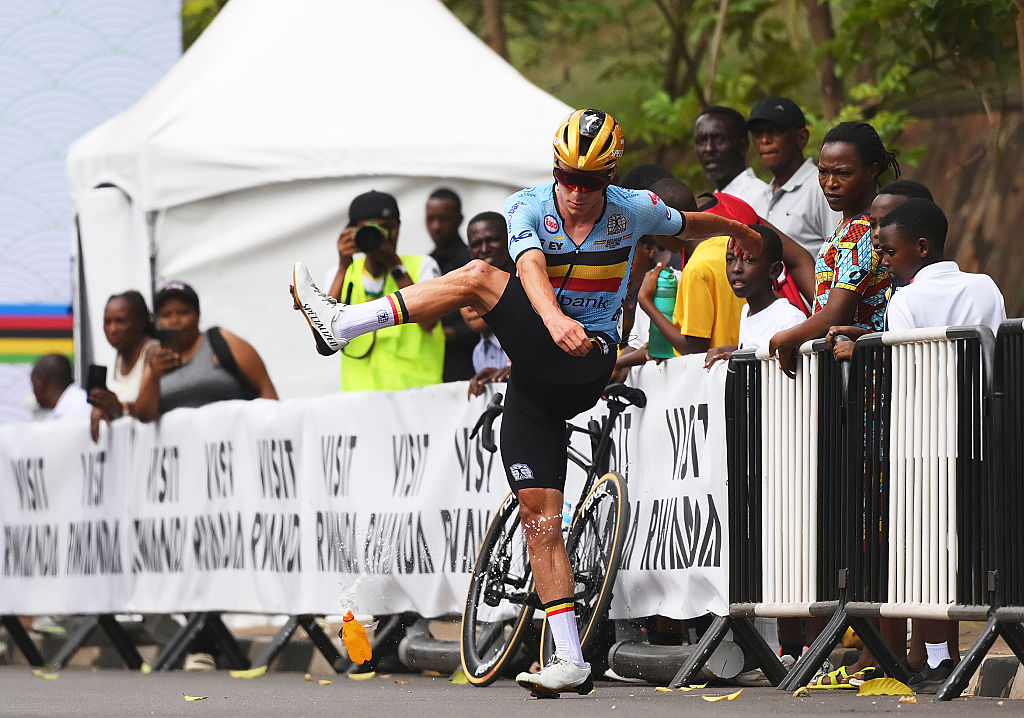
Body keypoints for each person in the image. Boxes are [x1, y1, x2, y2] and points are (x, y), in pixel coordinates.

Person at [290, 108, 763, 696]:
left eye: (591, 183)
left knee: (479, 277)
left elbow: (685, 223)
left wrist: (738, 233)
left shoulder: (631, 209)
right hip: (539, 377)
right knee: (541, 517)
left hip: (586, 356)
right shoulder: (528, 205)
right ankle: (569, 658)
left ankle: (344, 325)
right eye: (567, 176)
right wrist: (553, 318)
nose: (576, 193)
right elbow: (532, 268)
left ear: (609, 178)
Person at [768, 121, 900, 377]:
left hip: (862, 372)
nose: (830, 183)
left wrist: (785, 338)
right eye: (823, 172)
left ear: (871, 171)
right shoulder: (845, 227)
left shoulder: (861, 229)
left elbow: (836, 313)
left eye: (843, 173)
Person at [324, 190, 444, 392]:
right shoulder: (341, 273)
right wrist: (343, 266)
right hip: (360, 399)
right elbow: (325, 334)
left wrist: (394, 265)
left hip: (418, 397)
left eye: (387, 228)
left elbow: (428, 322)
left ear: (399, 228)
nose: (380, 236)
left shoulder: (422, 266)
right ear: (352, 233)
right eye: (371, 230)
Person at [132, 281, 277, 422]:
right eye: (166, 315)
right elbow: (144, 415)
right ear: (157, 321)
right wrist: (153, 376)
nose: (174, 321)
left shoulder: (221, 341)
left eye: (183, 313)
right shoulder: (154, 358)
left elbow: (267, 391)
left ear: (198, 315)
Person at [637, 192, 756, 358]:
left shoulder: (697, 269)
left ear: (664, 228)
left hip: (720, 373)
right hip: (747, 360)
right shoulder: (730, 246)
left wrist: (646, 302)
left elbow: (694, 347)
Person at [746, 96, 840, 257]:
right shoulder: (759, 199)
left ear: (801, 137)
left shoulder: (822, 187)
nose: (765, 140)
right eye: (757, 133)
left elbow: (840, 252)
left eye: (775, 131)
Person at [704, 224, 806, 367]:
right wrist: (733, 352)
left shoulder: (790, 319)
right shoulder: (747, 310)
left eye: (749, 260)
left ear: (775, 270)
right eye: (730, 260)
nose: (736, 269)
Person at [88, 290, 160, 440]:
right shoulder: (121, 354)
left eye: (121, 321)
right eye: (107, 322)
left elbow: (148, 408)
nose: (112, 330)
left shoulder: (153, 353)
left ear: (141, 323)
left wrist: (119, 408)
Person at [426, 187, 477, 382]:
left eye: (443, 218)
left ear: (459, 219)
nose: (436, 226)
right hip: (431, 369)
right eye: (430, 219)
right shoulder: (425, 263)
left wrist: (453, 333)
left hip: (469, 368)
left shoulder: (472, 263)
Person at [461, 211, 513, 397]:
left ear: (509, 240)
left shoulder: (532, 285)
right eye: (476, 244)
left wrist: (518, 372)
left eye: (491, 240)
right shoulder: (480, 352)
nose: (484, 249)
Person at [693, 106, 769, 207]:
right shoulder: (710, 201)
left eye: (719, 139)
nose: (709, 148)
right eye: (702, 140)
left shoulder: (762, 198)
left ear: (742, 146)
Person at [30, 354, 90, 420]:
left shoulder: (80, 407)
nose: (33, 391)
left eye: (34, 384)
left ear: (43, 382)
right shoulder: (64, 408)